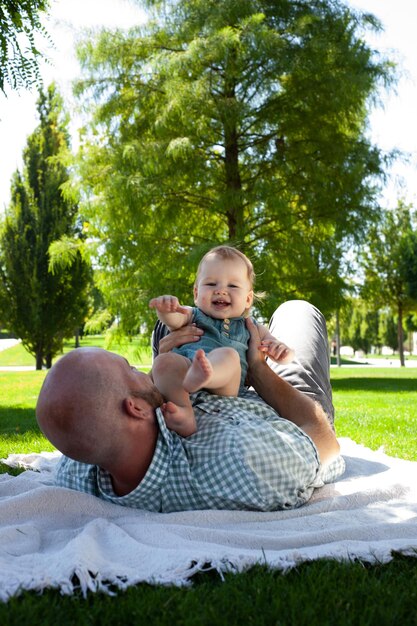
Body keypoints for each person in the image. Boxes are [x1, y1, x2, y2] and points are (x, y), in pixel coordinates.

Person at [35, 300, 345, 513]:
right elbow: (324, 441)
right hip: (284, 402)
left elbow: (80, 414)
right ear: (136, 409)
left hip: (213, 380)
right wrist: (258, 369)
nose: (143, 371)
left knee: (176, 325)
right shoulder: (239, 463)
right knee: (298, 311)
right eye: (132, 370)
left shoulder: (80, 467)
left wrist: (167, 361)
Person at [149, 245, 294, 436]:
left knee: (228, 356)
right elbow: (174, 319)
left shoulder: (251, 325)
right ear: (195, 294)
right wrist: (166, 310)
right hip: (185, 373)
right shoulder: (194, 315)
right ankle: (183, 411)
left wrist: (282, 351)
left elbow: (281, 352)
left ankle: (206, 373)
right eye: (211, 284)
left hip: (226, 385)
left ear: (248, 299)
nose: (221, 291)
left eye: (232, 286)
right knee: (163, 362)